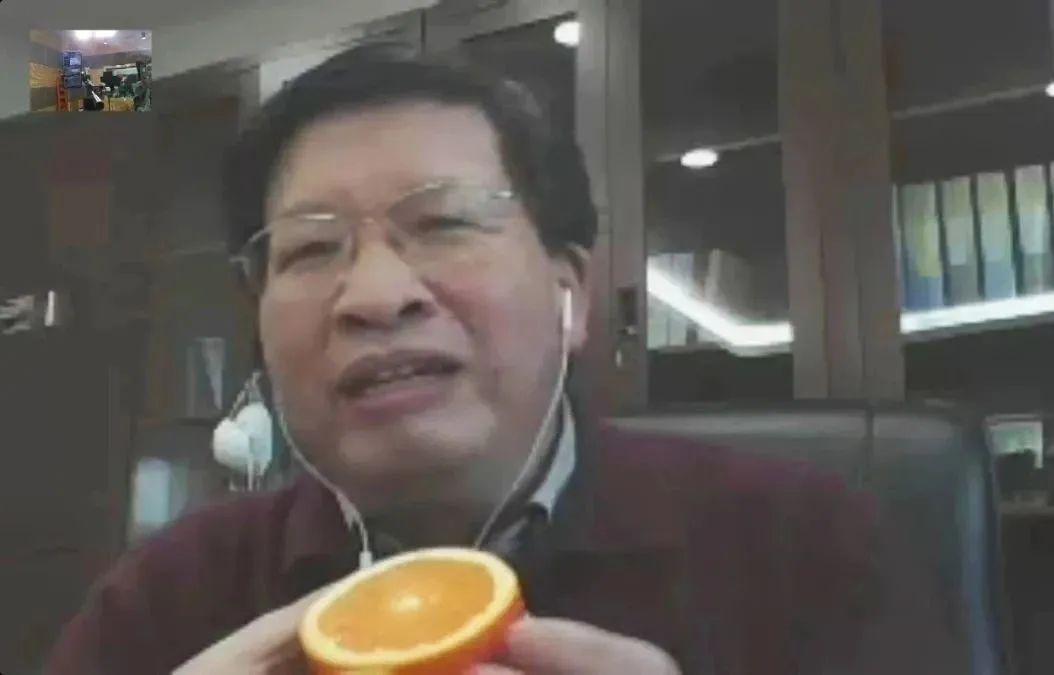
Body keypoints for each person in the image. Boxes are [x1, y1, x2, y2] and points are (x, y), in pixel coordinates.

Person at [45, 45, 881, 674]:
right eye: (310, 249)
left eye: (444, 223)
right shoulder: (163, 600)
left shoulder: (803, 548)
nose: (376, 295)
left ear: (569, 289)